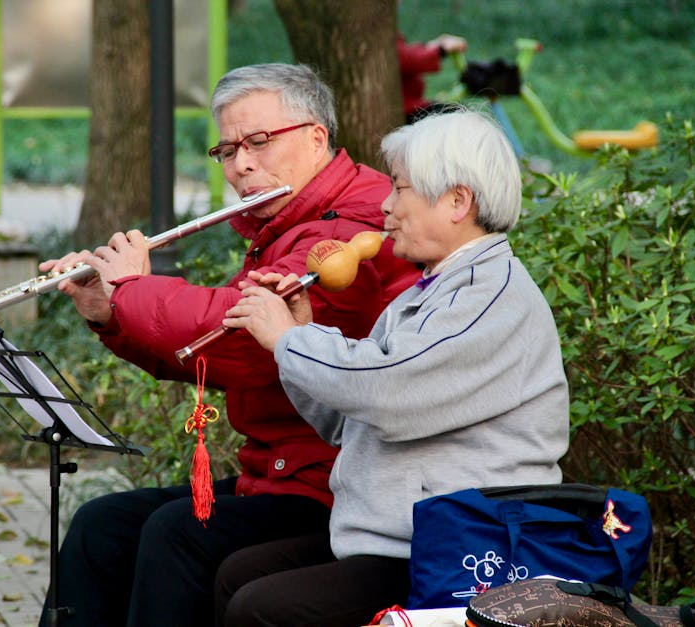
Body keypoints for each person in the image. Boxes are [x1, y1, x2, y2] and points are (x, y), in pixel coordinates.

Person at [37, 63, 420, 626]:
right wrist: (111, 315)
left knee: (174, 534)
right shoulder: (291, 222)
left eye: (259, 143)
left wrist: (134, 290)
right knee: (103, 525)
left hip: (331, 482)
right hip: (278, 471)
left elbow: (238, 340)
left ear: (317, 137)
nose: (241, 166)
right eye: (227, 151)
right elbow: (212, 359)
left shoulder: (350, 223)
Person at [216, 108, 571, 626]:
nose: (385, 205)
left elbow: (386, 391)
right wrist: (299, 334)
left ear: (457, 201)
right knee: (234, 575)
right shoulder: (430, 292)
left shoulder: (490, 295)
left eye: (400, 189)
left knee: (262, 608)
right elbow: (345, 419)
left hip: (459, 555)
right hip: (393, 539)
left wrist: (291, 340)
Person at [398, 32, 467, 123]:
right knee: (461, 115)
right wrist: (441, 50)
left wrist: (431, 45)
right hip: (406, 110)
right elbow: (406, 59)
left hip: (409, 106)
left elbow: (404, 52)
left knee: (459, 111)